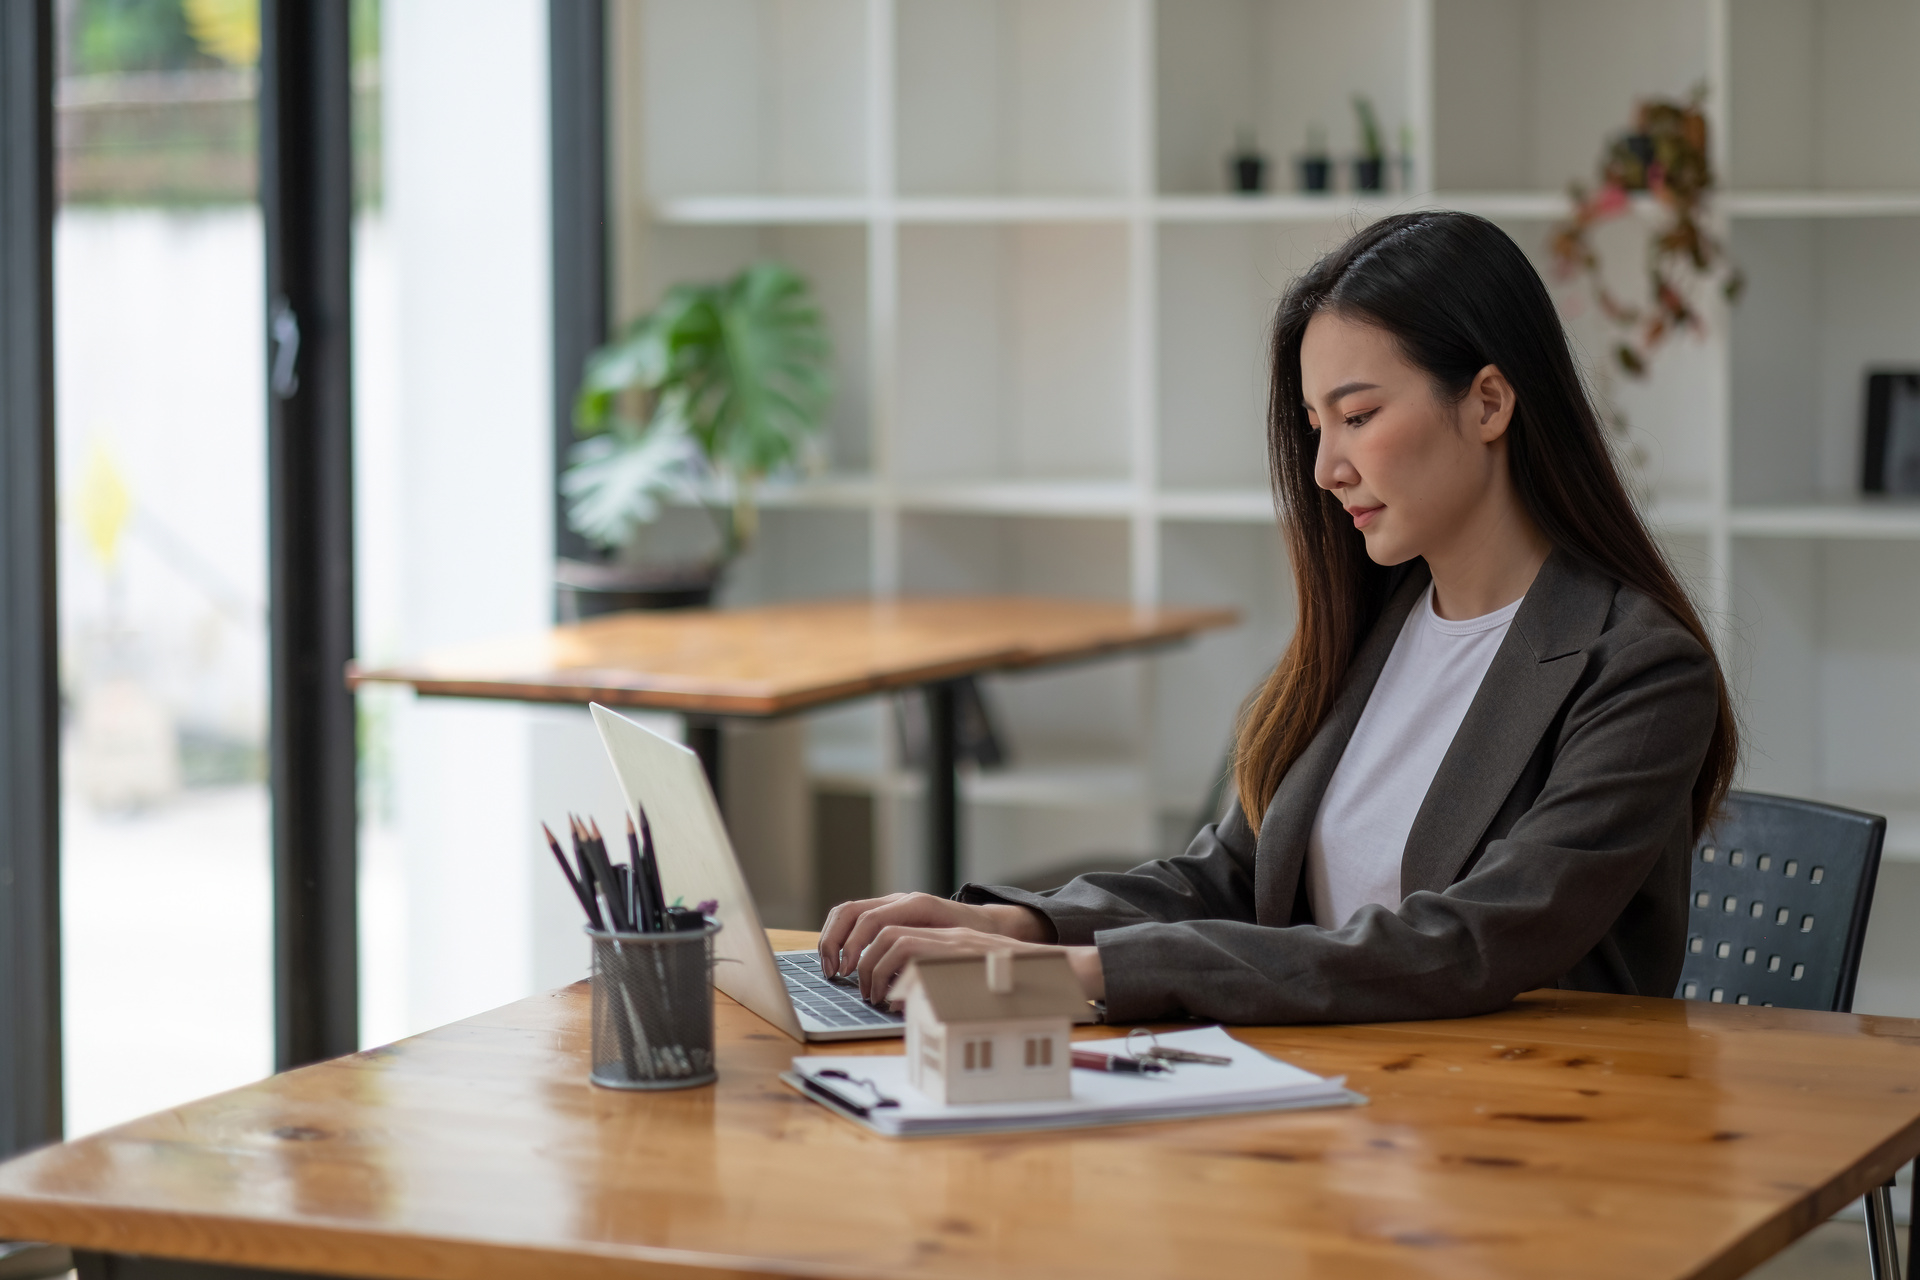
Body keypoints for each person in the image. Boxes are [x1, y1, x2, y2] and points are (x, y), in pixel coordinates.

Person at [818, 211, 1737, 1025]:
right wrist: (1009, 923)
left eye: (1359, 415)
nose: (1325, 467)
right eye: (1314, 426)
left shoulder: (1638, 670)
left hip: (1533, 1142)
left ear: (1489, 401)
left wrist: (1063, 977)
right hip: (1342, 1112)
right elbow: (1230, 878)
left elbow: (1463, 945)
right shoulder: (1375, 632)